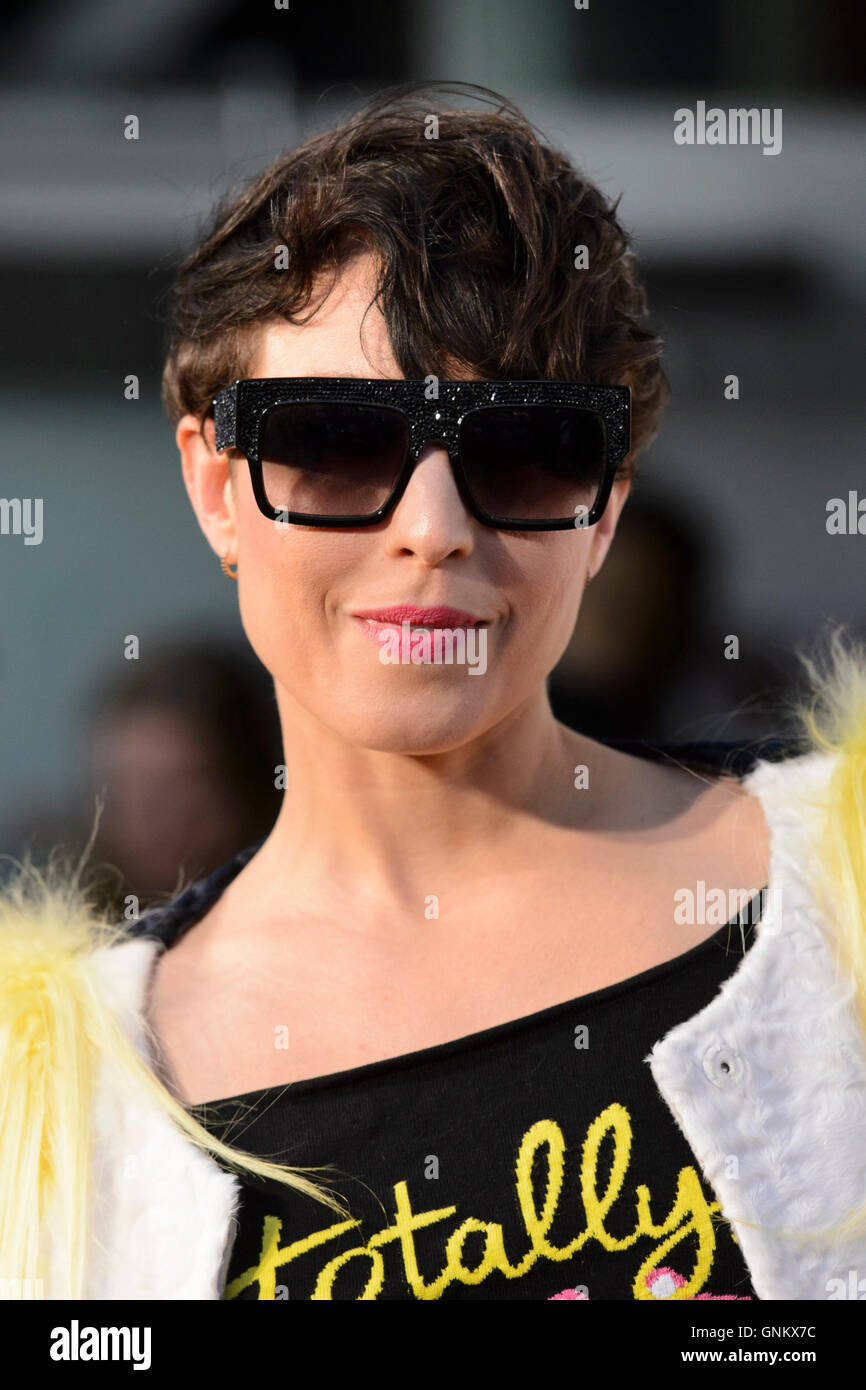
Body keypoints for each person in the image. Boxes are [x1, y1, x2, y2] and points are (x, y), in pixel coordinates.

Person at [2, 82, 865, 1303]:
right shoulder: (47, 1112)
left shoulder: (844, 901)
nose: (433, 527)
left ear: (605, 501)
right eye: (336, 439)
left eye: (523, 445)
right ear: (214, 484)